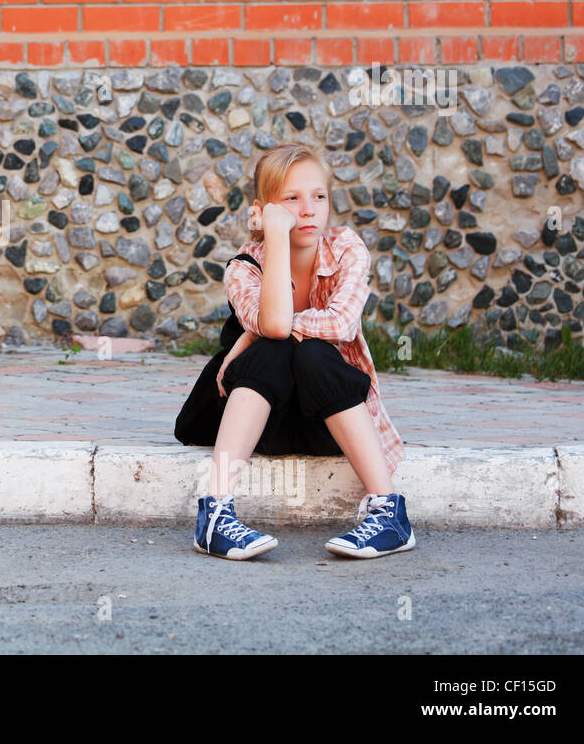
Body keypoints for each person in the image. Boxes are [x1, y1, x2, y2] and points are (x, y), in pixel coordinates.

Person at [175, 144, 413, 560]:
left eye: (319, 196)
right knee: (272, 350)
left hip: (325, 420)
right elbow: (276, 328)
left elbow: (340, 324)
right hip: (256, 421)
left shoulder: (346, 248)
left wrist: (259, 333)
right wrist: (274, 237)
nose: (308, 210)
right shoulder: (244, 267)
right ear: (263, 209)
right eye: (291, 199)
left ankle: (390, 513)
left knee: (309, 353)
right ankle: (214, 517)